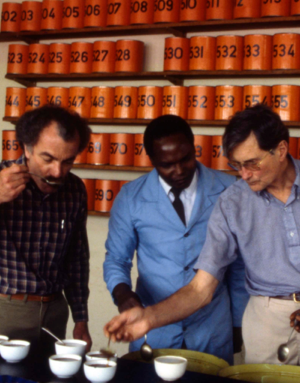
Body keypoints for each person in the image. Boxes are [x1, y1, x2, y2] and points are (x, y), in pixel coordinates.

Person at [104, 104, 300, 365]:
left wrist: (234, 324)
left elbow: (236, 272)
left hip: (214, 326)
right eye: (237, 165)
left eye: (252, 163)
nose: (244, 175)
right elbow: (200, 288)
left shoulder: (222, 188)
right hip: (266, 318)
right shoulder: (233, 200)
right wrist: (148, 318)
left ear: (281, 150)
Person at [0, 104, 92, 355]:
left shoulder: (75, 189)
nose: (57, 172)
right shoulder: (1, 178)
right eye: (48, 159)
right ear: (27, 149)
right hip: (5, 310)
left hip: (55, 311)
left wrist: (81, 318)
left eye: (67, 161)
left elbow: (77, 258)